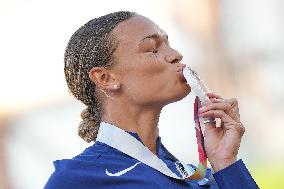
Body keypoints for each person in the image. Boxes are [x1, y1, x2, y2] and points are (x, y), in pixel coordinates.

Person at [44, 11, 259, 189]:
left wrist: (225, 163)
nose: (176, 54)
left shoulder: (198, 178)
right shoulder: (76, 179)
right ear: (106, 78)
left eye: (169, 44)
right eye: (152, 49)